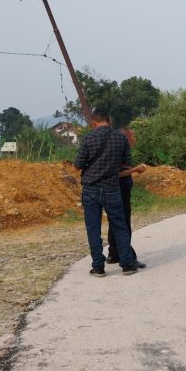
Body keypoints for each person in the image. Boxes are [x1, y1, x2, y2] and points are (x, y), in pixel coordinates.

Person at [73, 107, 140, 277]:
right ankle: (127, 264)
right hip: (112, 188)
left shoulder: (88, 138)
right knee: (120, 226)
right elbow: (126, 162)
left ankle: (98, 267)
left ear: (93, 122)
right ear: (108, 120)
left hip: (91, 189)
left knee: (93, 228)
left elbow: (78, 165)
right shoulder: (120, 138)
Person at [106, 127, 146, 265]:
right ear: (125, 137)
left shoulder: (117, 149)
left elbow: (120, 168)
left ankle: (113, 253)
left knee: (114, 221)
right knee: (123, 222)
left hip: (116, 187)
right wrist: (135, 170)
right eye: (132, 135)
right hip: (120, 188)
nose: (134, 138)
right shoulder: (120, 149)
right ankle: (128, 257)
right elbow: (116, 172)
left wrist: (133, 169)